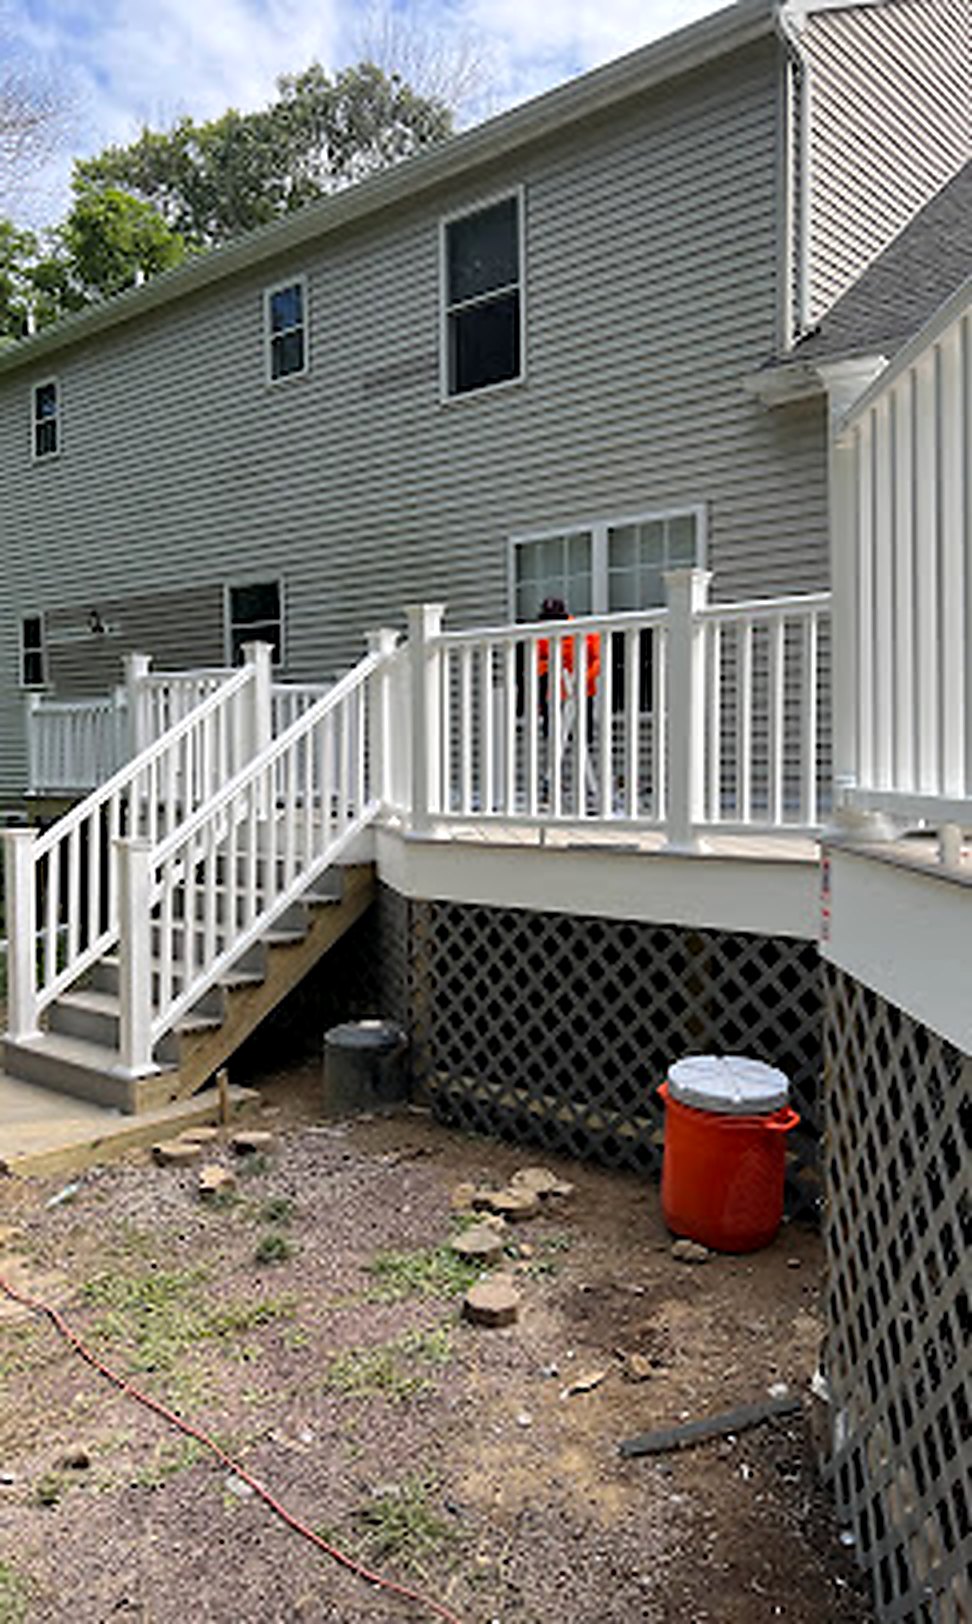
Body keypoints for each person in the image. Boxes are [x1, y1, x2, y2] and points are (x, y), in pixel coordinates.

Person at [536, 596, 601, 742]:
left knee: (583, 736)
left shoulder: (586, 632)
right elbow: (539, 662)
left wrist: (583, 679)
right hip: (554, 694)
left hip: (582, 692)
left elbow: (597, 661)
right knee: (553, 737)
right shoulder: (542, 636)